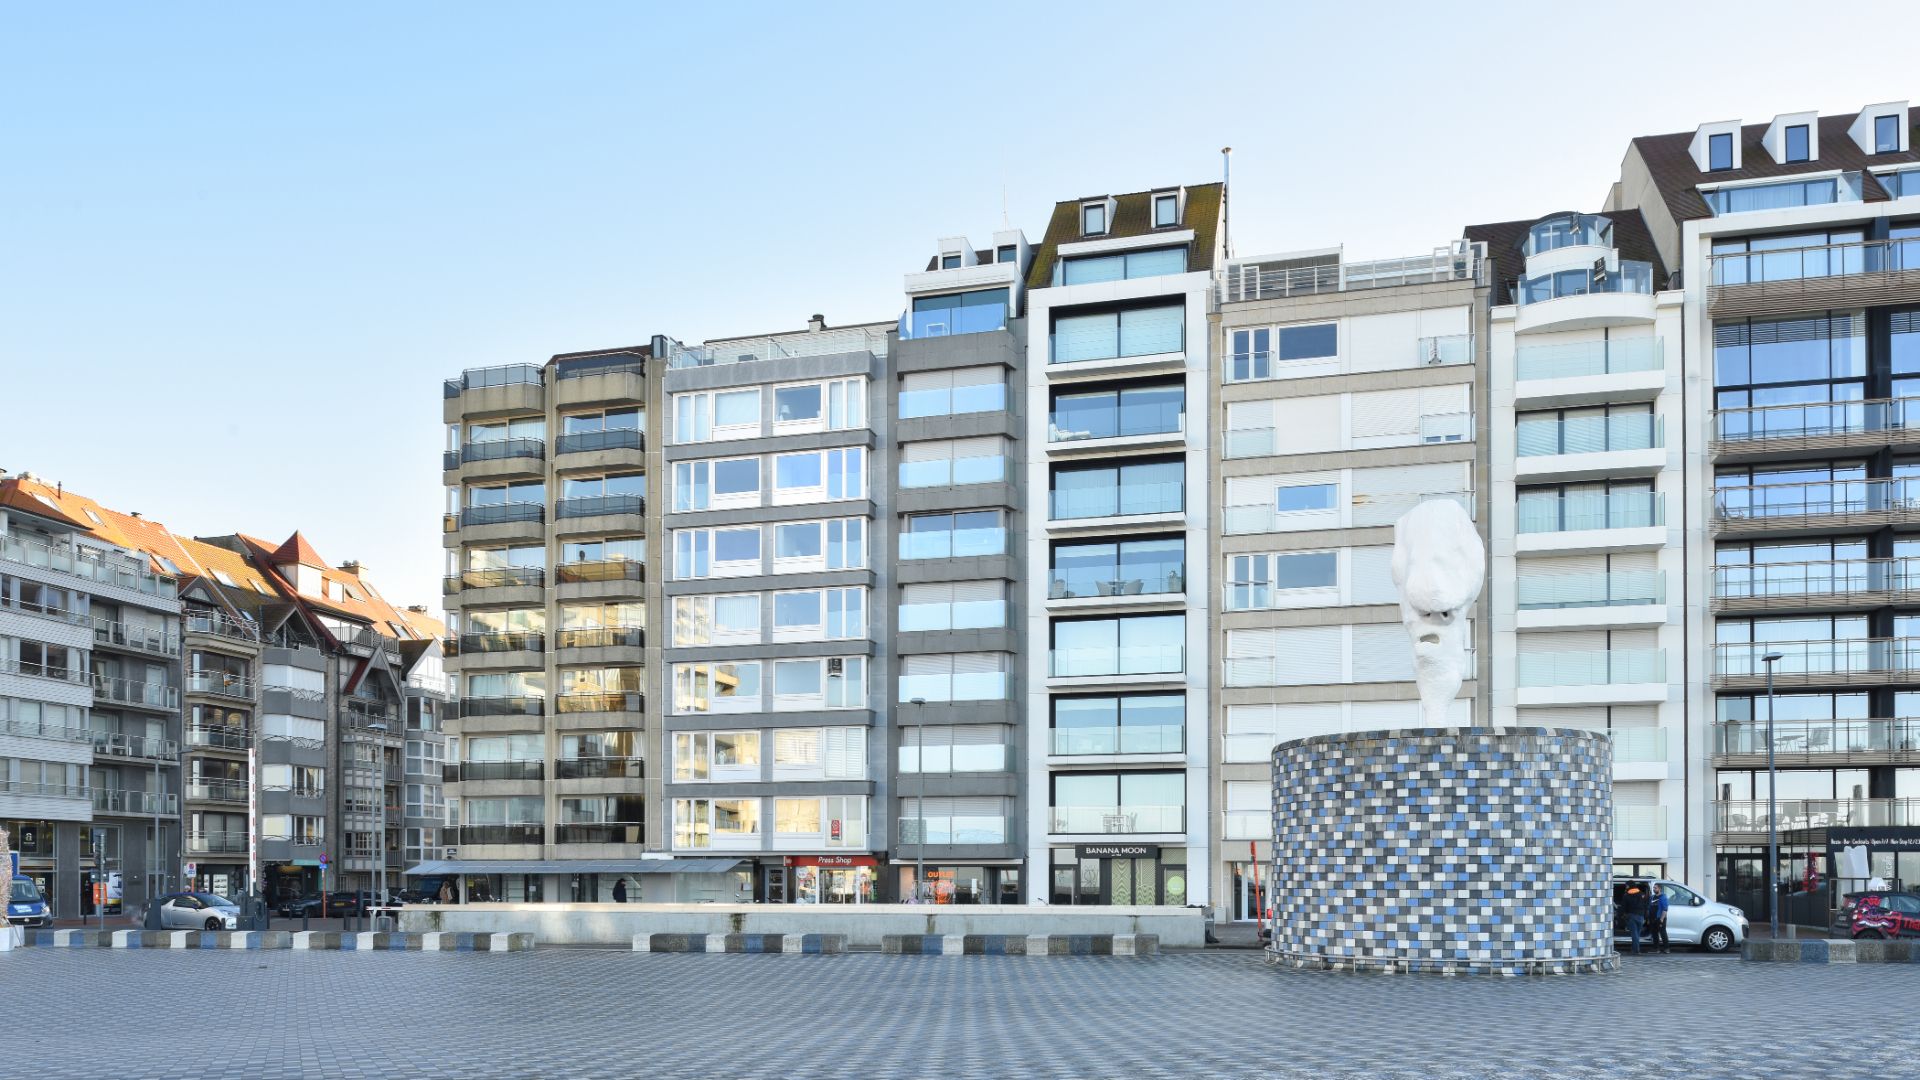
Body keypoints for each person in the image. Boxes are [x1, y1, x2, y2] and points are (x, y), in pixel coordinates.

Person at [1620, 880, 1650, 955]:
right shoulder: (1641, 894)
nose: (1626, 887)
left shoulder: (1626, 895)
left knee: (1634, 934)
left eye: (1626, 885)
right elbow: (1646, 906)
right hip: (1641, 916)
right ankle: (1634, 948)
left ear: (1629, 886)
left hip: (1632, 916)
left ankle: (1636, 950)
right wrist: (1645, 917)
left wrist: (1621, 915)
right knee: (1637, 934)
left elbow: (1623, 907)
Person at [1647, 883, 1670, 954]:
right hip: (1652, 918)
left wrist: (1662, 919)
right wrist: (1648, 917)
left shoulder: (1663, 897)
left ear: (1659, 889)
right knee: (1654, 933)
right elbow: (1649, 907)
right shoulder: (1652, 897)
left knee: (1663, 933)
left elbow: (1665, 909)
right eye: (1653, 888)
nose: (1654, 889)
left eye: (1655, 888)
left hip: (1660, 918)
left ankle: (1666, 948)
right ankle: (1656, 948)